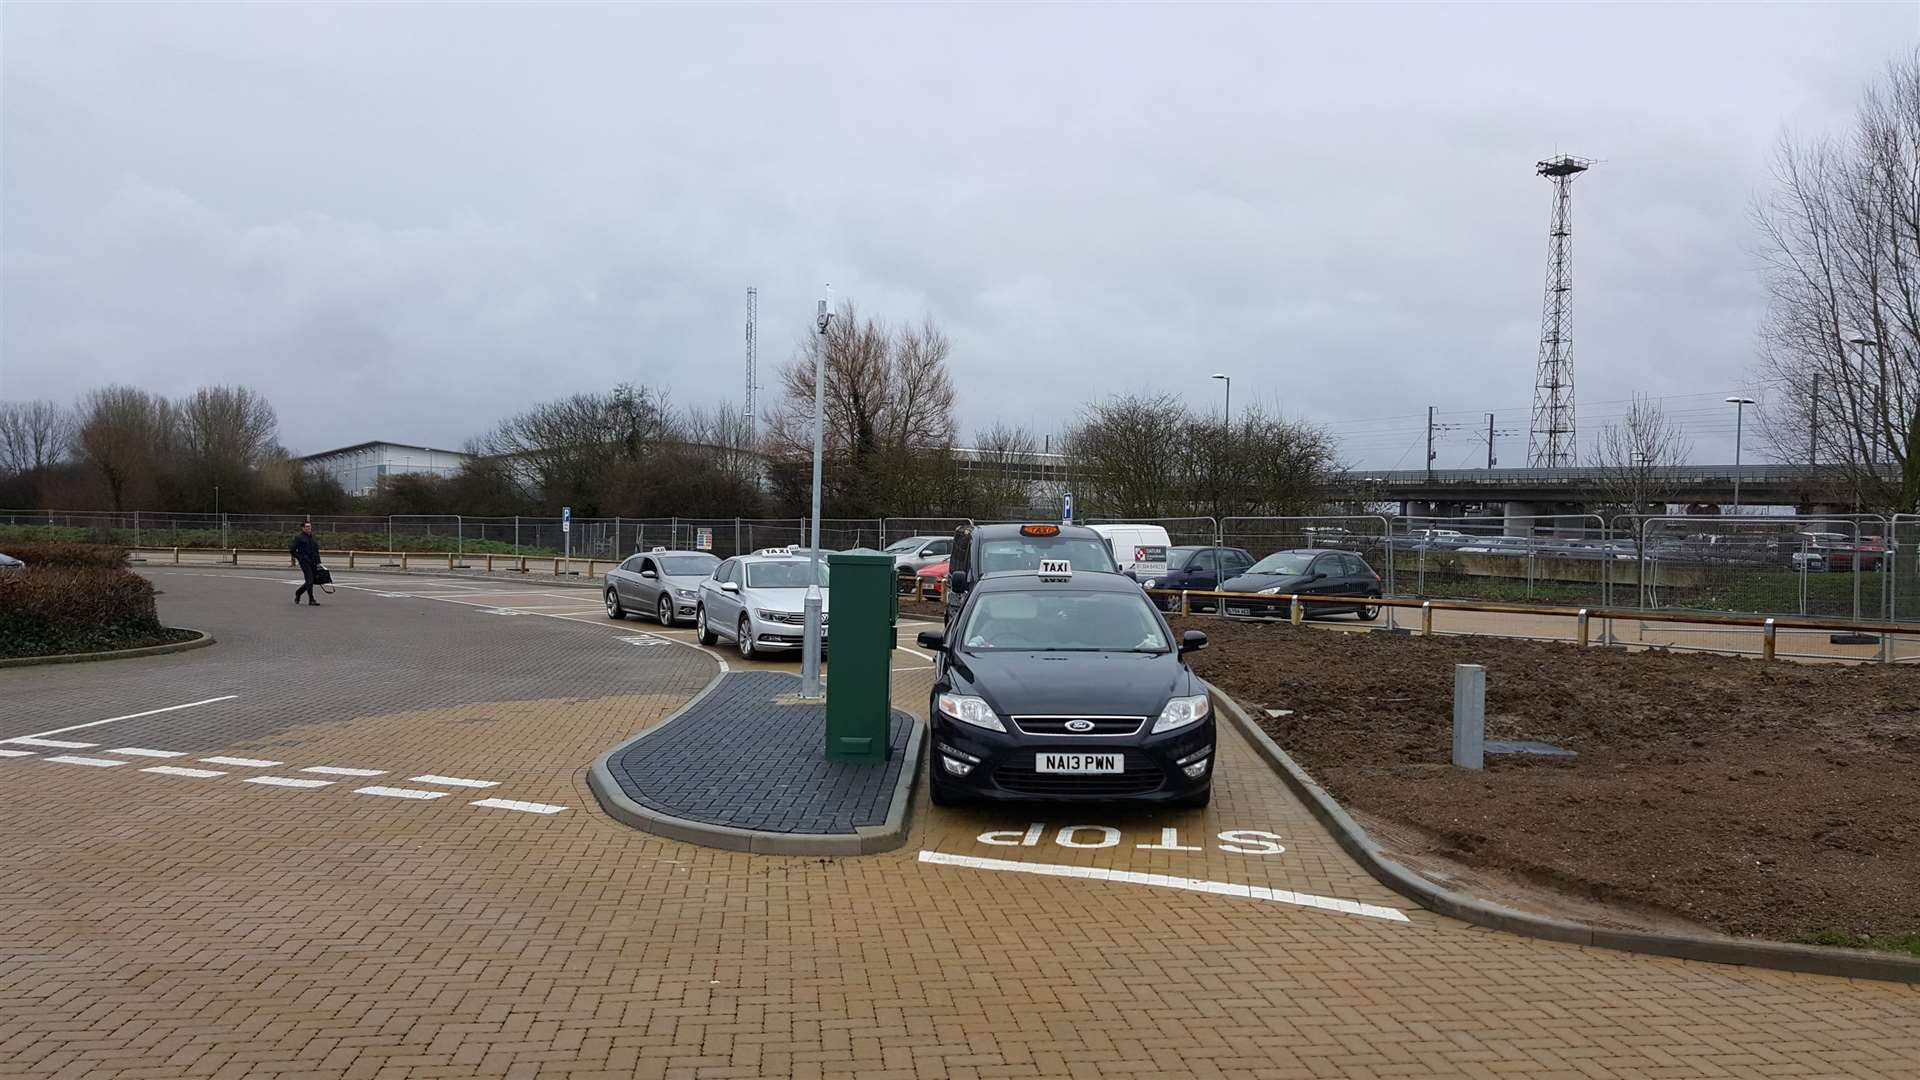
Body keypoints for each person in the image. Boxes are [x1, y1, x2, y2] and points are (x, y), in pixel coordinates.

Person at [291, 522, 322, 606]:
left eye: (310, 526)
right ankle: (311, 599)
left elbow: (316, 551)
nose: (309, 528)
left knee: (312, 580)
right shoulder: (299, 538)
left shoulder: (313, 537)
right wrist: (301, 558)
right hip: (305, 562)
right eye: (307, 526)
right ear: (303, 528)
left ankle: (298, 592)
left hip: (314, 561)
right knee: (309, 579)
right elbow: (292, 550)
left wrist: (319, 562)